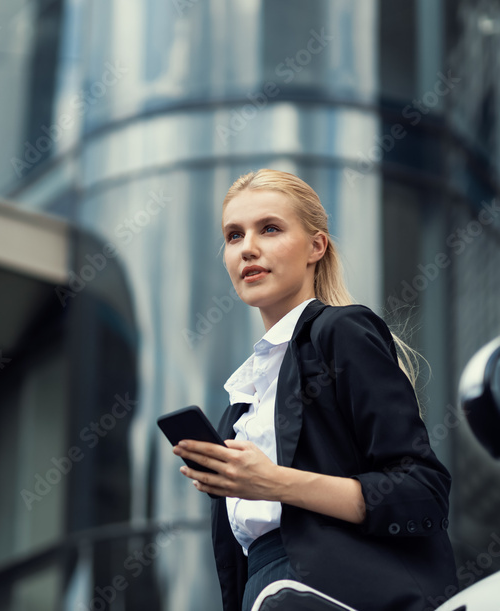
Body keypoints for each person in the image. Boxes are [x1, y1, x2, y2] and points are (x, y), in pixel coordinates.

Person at [171, 169, 459, 611]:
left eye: (269, 229)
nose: (248, 247)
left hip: (341, 592)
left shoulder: (340, 332)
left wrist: (273, 482)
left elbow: (422, 491)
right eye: (233, 235)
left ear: (316, 246)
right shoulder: (240, 406)